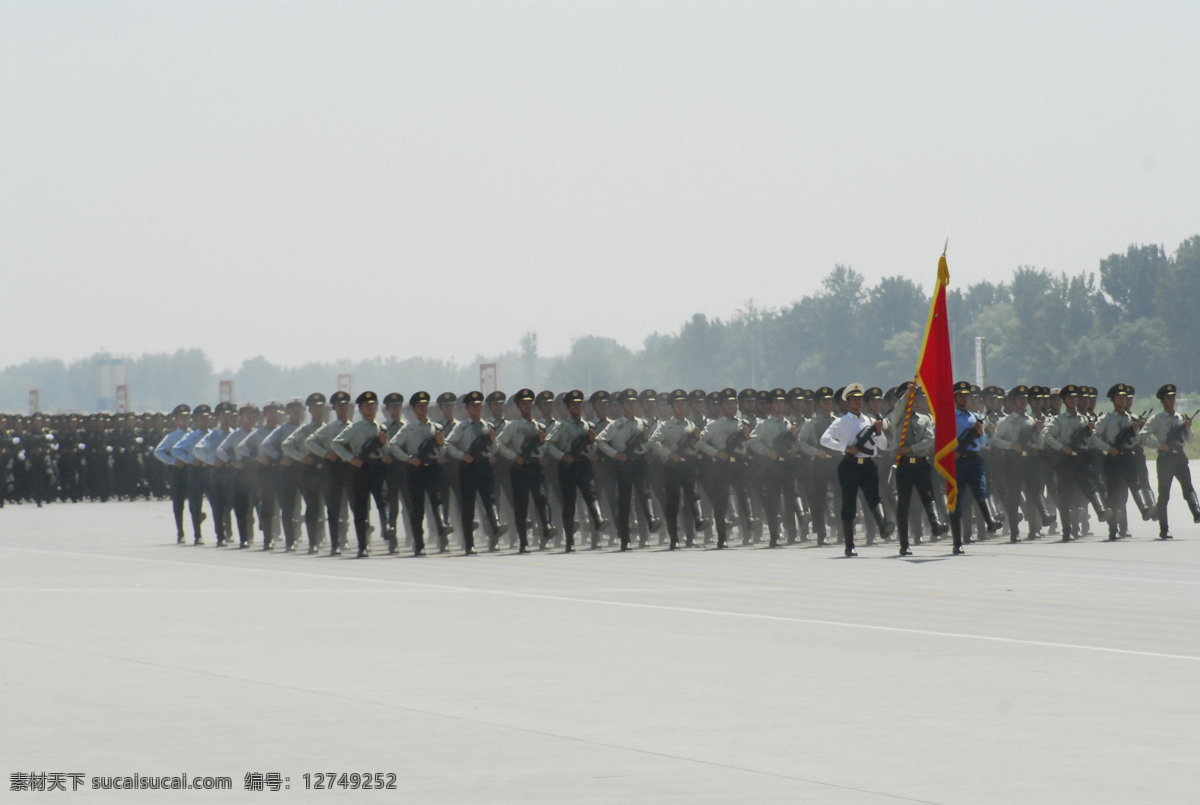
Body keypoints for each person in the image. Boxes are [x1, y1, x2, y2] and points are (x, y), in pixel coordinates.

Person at [819, 383, 893, 557]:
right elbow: (825, 439)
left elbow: (882, 446)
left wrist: (879, 431)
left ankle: (883, 525)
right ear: (847, 402)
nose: (857, 401)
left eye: (859, 398)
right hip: (849, 465)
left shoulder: (869, 420)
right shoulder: (841, 422)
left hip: (868, 464)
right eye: (853, 399)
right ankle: (849, 545)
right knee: (849, 504)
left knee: (874, 498)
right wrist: (845, 447)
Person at [1041, 385, 1113, 541]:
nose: (1073, 401)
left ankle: (1101, 511)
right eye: (1069, 398)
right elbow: (1046, 435)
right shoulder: (1058, 420)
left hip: (1081, 459)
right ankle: (1067, 530)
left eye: (1075, 398)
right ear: (1064, 401)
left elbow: (1093, 439)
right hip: (1065, 462)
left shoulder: (1085, 419)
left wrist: (1108, 448)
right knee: (1065, 496)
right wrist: (1061, 447)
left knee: (1090, 487)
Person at [388, 391, 454, 555]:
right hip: (415, 471)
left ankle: (441, 529)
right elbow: (393, 445)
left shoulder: (437, 428)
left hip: (433, 469)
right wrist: (408, 458)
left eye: (425, 405)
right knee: (417, 509)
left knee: (437, 501)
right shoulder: (408, 428)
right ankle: (419, 543)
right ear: (414, 409)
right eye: (419, 406)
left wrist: (440, 445)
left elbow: (443, 449)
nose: (423, 408)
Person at [444, 390, 509, 554]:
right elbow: (448, 444)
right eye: (473, 405)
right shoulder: (462, 427)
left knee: (490, 499)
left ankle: (495, 525)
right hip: (468, 469)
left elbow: (495, 448)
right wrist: (462, 456)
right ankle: (469, 543)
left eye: (479, 405)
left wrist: (493, 440)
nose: (476, 408)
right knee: (468, 507)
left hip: (485, 467)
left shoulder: (488, 427)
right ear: (467, 408)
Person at [596, 389, 661, 551]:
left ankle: (651, 520)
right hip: (624, 466)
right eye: (627, 403)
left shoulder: (643, 424)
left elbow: (650, 445)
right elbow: (600, 441)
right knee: (624, 502)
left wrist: (646, 440)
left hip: (640, 463)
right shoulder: (615, 425)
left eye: (633, 402)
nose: (630, 405)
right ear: (622, 405)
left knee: (645, 494)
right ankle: (625, 539)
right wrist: (616, 454)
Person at [543, 390, 608, 552]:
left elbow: (592, 450)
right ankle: (570, 540)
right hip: (568, 468)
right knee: (569, 504)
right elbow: (548, 445)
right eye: (574, 405)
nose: (577, 407)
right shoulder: (562, 427)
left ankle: (598, 519)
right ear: (567, 407)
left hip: (583, 465)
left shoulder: (588, 426)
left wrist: (592, 442)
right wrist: (563, 456)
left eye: (579, 404)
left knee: (591, 493)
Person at [889, 383, 949, 556]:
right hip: (905, 465)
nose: (911, 400)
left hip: (921, 463)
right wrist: (907, 393)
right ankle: (904, 543)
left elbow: (929, 440)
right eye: (908, 398)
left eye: (913, 397)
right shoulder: (898, 417)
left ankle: (935, 523)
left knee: (928, 496)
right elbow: (900, 408)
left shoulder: (925, 419)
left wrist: (911, 448)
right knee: (904, 504)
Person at [494, 389, 557, 553]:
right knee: (521, 506)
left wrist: (543, 448)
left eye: (529, 403)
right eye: (524, 403)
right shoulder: (513, 426)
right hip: (520, 469)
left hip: (536, 468)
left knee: (542, 499)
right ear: (518, 406)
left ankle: (547, 527)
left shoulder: (540, 427)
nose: (527, 406)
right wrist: (514, 456)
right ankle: (523, 541)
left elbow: (544, 448)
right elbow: (499, 444)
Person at [1092, 383, 1155, 539]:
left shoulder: (1133, 419)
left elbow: (1138, 440)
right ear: (1113, 400)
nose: (1123, 400)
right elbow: (1093, 436)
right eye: (1119, 397)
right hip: (1112, 459)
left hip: (1128, 457)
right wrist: (1107, 448)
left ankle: (1145, 509)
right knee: (1114, 494)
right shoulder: (1106, 419)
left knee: (1135, 484)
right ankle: (1113, 528)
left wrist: (1135, 432)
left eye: (1124, 397)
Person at [331, 391, 390, 557]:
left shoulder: (381, 428)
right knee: (360, 509)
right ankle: (362, 545)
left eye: (373, 405)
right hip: (361, 469)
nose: (370, 408)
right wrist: (350, 458)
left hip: (378, 467)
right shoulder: (354, 428)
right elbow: (336, 444)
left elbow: (387, 450)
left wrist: (385, 443)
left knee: (383, 500)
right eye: (366, 406)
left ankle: (386, 528)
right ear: (361, 409)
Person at [648, 389, 709, 549]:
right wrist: (669, 454)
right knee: (673, 503)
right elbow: (653, 442)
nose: (681, 406)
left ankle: (692, 534)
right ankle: (674, 537)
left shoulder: (692, 425)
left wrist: (697, 439)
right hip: (672, 467)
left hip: (689, 465)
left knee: (692, 498)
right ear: (672, 407)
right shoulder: (665, 426)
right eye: (677, 404)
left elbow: (698, 447)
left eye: (683, 403)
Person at [1143, 383, 1199, 539]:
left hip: (1180, 457)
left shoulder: (1181, 418)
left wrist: (1187, 428)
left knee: (1188, 488)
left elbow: (1191, 439)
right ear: (1162, 400)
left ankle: (1196, 511)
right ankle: (1164, 528)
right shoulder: (1157, 419)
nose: (1172, 400)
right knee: (1164, 495)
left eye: (1173, 397)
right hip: (1165, 459)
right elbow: (1142, 436)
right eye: (1168, 397)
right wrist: (1158, 445)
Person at [305, 391, 353, 555]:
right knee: (334, 508)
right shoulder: (329, 429)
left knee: (352, 507)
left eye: (344, 404)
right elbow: (310, 441)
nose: (342, 407)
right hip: (334, 469)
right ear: (333, 408)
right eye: (338, 405)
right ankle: (335, 543)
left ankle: (355, 540)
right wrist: (325, 453)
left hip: (352, 469)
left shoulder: (356, 427)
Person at [153, 404, 192, 543]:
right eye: (182, 417)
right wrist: (173, 461)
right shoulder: (172, 436)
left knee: (196, 500)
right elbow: (158, 451)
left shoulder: (194, 434)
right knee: (179, 502)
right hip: (179, 471)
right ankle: (180, 531)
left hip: (194, 470)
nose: (185, 419)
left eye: (187, 417)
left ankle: (198, 526)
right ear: (176, 419)